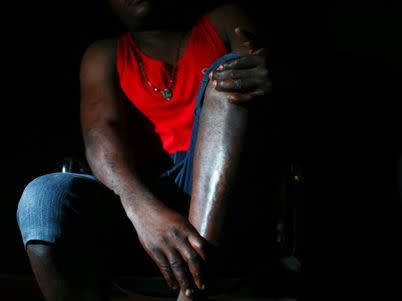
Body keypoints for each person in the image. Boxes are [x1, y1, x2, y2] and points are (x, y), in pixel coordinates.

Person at [16, 0, 277, 300]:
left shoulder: (222, 21)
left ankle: (193, 291)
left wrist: (277, 79)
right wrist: (143, 210)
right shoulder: (104, 54)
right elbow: (100, 135)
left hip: (230, 204)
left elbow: (263, 97)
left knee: (230, 76)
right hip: (140, 201)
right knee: (43, 197)